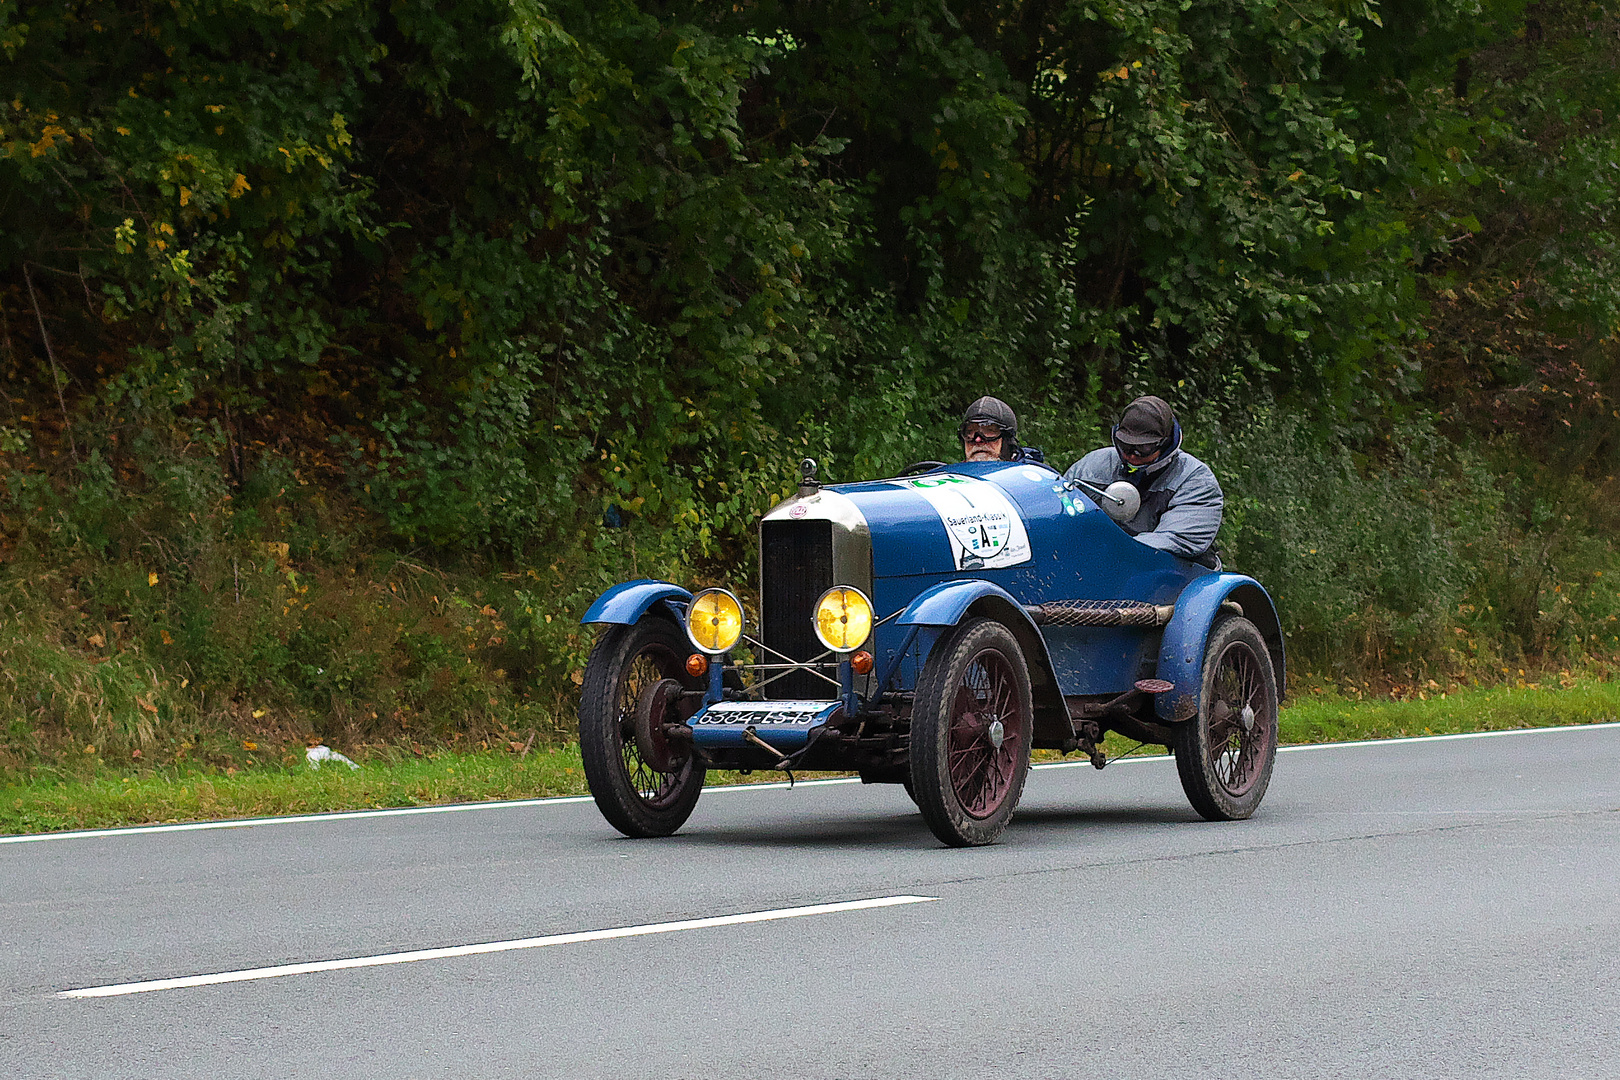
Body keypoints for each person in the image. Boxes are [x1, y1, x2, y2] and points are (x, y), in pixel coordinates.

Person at [1065, 395, 1223, 562]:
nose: (1132, 455)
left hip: (1167, 575)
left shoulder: (1196, 480)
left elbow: (1175, 540)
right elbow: (1060, 508)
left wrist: (1110, 551)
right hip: (1097, 562)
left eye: (1144, 448)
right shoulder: (1092, 466)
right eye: (1124, 445)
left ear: (1165, 443)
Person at [959, 396, 1044, 464]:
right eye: (970, 432)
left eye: (989, 431)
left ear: (1007, 440)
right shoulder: (951, 477)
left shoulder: (1031, 477)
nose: (978, 439)